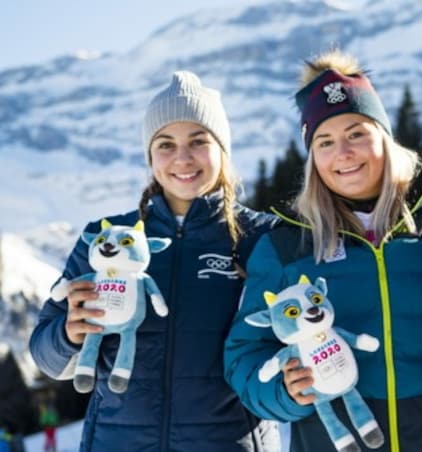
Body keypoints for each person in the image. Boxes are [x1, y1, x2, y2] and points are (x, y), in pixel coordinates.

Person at [224, 50, 422, 452]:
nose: (343, 153)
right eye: (324, 141)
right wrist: (285, 392)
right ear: (312, 160)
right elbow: (244, 355)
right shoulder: (286, 247)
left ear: (384, 138)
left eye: (356, 133)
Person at [29, 71, 279, 451]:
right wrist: (68, 333)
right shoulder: (104, 238)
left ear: (222, 149)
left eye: (198, 141)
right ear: (150, 156)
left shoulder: (262, 237)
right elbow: (46, 358)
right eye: (165, 144)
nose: (182, 158)